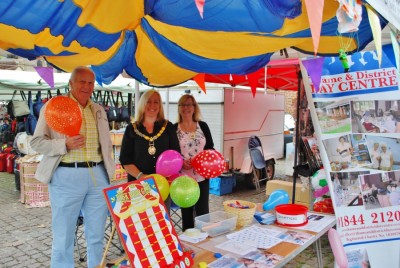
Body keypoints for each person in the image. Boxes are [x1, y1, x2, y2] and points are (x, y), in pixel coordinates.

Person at [30, 66, 115, 268]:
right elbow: (36, 142)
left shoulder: (98, 110)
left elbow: (106, 144)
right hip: (66, 174)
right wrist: (63, 144)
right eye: (81, 81)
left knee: (96, 235)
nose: (86, 86)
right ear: (71, 83)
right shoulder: (55, 106)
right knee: (63, 236)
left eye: (90, 83)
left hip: (98, 175)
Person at [119, 89, 180, 210]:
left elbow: (176, 155)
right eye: (149, 102)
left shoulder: (168, 127)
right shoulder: (132, 129)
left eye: (156, 102)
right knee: (140, 222)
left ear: (160, 105)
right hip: (138, 185)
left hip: (162, 186)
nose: (152, 105)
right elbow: (125, 159)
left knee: (162, 222)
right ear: (143, 104)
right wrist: (141, 176)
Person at [174, 94, 214, 231]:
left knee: (203, 214)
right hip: (183, 180)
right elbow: (171, 152)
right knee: (187, 216)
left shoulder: (202, 126)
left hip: (202, 177)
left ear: (194, 107)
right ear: (179, 108)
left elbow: (210, 148)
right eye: (183, 105)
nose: (186, 108)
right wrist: (180, 162)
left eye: (189, 104)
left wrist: (202, 160)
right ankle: (189, 244)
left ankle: (204, 244)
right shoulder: (173, 129)